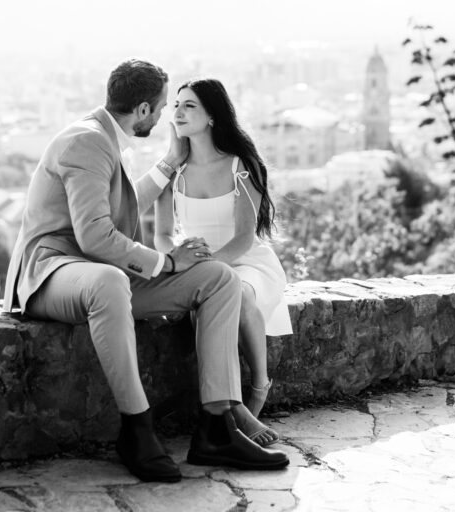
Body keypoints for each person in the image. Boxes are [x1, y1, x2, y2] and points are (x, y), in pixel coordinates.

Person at [2, 59, 289, 483]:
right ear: (141, 110)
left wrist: (172, 162)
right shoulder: (86, 141)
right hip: (52, 272)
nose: (164, 118)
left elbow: (125, 208)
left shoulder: (104, 141)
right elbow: (96, 237)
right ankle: (137, 430)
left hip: (102, 275)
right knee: (110, 280)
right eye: (160, 109)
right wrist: (169, 262)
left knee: (219, 278)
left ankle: (216, 427)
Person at [154, 78, 293, 447]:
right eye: (176, 105)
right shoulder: (173, 172)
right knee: (209, 301)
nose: (178, 112)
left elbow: (245, 237)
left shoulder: (241, 166)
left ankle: (260, 385)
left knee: (238, 294)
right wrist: (178, 260)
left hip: (246, 262)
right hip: (198, 266)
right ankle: (234, 409)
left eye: (190, 106)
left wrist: (211, 266)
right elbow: (162, 235)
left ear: (213, 116)